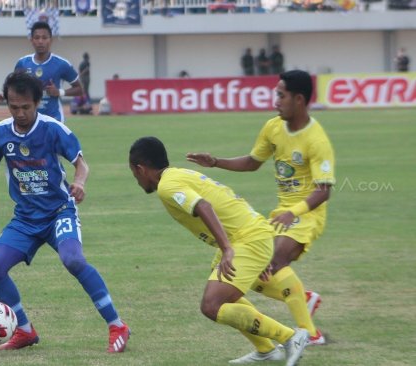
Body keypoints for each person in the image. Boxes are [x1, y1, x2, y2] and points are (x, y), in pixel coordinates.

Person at [0, 71, 130, 352]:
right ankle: (24, 330)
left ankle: (117, 325)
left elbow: (81, 164)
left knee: (73, 260)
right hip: (24, 219)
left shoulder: (53, 129)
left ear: (37, 103)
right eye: (14, 107)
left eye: (26, 107)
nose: (20, 113)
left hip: (59, 211)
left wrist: (80, 182)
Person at [186, 70, 334, 351]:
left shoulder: (316, 140)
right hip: (282, 213)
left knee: (273, 261)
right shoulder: (273, 127)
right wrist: (216, 162)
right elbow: (254, 162)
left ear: (299, 100)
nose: (275, 100)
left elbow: (324, 190)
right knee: (254, 269)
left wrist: (296, 211)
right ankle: (303, 298)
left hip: (307, 214)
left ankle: (309, 333)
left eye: (281, 95)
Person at [129, 136, 309, 366]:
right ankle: (266, 350)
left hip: (246, 238)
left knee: (212, 305)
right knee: (226, 296)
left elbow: (204, 206)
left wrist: (227, 250)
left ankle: (291, 337)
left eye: (134, 173)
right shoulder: (179, 173)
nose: (135, 179)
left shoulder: (167, 186)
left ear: (140, 168)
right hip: (248, 233)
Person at [0, 21, 82, 122]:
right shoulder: (23, 63)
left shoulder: (61, 64)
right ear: (31, 40)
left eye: (44, 38)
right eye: (37, 38)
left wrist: (59, 92)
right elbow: (14, 87)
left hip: (54, 119)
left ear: (51, 40)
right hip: (29, 119)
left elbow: (79, 89)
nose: (40, 41)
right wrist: (4, 95)